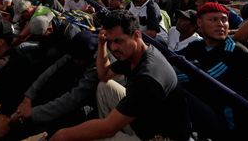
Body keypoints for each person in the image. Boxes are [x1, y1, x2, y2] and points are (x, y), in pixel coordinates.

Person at [51, 10, 191, 141]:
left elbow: (108, 129)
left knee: (96, 135)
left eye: (118, 41)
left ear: (137, 35)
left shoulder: (148, 77)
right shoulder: (136, 52)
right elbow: (104, 75)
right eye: (110, 41)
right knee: (104, 87)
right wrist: (102, 45)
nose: (113, 48)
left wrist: (61, 135)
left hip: (158, 136)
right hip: (145, 118)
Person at [177, 2, 248, 140]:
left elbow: (205, 79)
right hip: (203, 112)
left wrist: (180, 77)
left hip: (228, 123)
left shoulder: (237, 52)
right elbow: (175, 62)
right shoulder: (195, 46)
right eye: (213, 20)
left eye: (224, 19)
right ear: (199, 23)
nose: (220, 24)